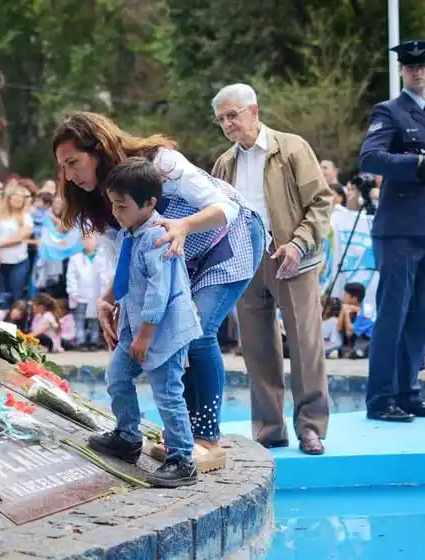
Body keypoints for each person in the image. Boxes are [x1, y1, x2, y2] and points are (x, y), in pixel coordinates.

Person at [53, 112, 265, 472]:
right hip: (175, 256)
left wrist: (183, 225)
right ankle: (158, 434)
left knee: (197, 332)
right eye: (63, 167)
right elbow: (122, 259)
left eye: (74, 162)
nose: (70, 175)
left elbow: (225, 207)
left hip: (228, 239)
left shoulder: (159, 162)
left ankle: (207, 438)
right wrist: (108, 300)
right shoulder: (100, 200)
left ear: (99, 149)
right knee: (172, 337)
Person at [210, 83, 331, 455]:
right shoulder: (223, 163)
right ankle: (269, 429)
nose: (229, 124)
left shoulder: (292, 147)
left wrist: (298, 244)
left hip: (292, 257)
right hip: (246, 262)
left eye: (233, 115)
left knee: (305, 344)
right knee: (257, 348)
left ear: (254, 112)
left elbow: (322, 201)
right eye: (221, 119)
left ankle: (310, 428)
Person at [87, 159, 202, 487]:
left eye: (121, 205)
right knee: (117, 375)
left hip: (161, 332)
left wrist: (145, 336)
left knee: (167, 392)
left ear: (149, 203)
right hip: (136, 329)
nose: (116, 211)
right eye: (113, 203)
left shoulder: (157, 238)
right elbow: (128, 279)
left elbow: (158, 294)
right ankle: (127, 435)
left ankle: (182, 458)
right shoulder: (131, 232)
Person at [358, 39, 425, 422]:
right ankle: (380, 399)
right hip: (398, 232)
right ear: (401, 71)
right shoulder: (390, 111)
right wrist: (417, 166)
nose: (417, 71)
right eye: (410, 66)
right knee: (392, 316)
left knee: (419, 317)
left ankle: (408, 392)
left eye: (423, 64)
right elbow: (371, 157)